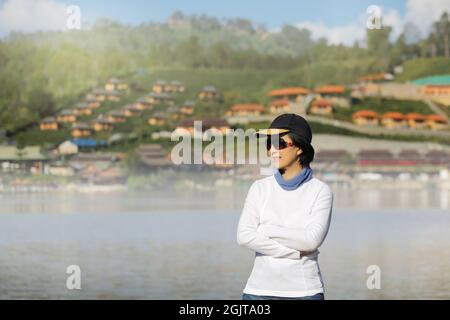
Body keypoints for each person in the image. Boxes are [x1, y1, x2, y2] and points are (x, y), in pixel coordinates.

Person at [237, 113, 334, 300]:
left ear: (299, 148)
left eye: (279, 143)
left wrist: (266, 229)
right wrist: (295, 252)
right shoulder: (259, 188)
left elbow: (311, 241)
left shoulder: (320, 191)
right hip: (258, 292)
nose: (272, 150)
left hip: (305, 292)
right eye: (268, 144)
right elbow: (244, 236)